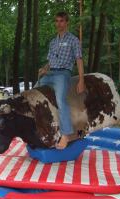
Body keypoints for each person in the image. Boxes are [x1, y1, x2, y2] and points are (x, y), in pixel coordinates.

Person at [37, 11, 85, 149]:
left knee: (60, 100)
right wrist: (44, 69)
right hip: (50, 74)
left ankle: (66, 134)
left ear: (67, 22)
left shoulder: (73, 40)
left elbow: (79, 60)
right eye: (57, 21)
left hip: (63, 74)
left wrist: (81, 80)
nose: (59, 24)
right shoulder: (53, 42)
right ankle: (40, 128)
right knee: (34, 92)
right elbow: (50, 62)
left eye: (62, 21)